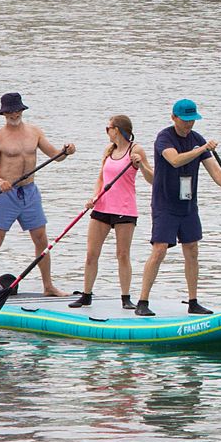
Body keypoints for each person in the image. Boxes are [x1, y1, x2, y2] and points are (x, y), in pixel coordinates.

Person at [135, 98, 221, 318]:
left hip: (188, 204)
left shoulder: (197, 139)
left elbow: (215, 171)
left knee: (192, 249)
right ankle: (142, 301)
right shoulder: (164, 137)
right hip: (165, 203)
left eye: (192, 120)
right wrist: (201, 149)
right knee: (159, 249)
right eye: (185, 120)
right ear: (173, 117)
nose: (189, 124)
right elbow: (174, 160)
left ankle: (193, 302)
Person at [0, 91, 75, 302]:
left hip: (30, 193)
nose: (14, 114)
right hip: (5, 195)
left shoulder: (34, 132)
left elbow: (56, 156)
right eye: (9, 111)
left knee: (41, 239)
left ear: (22, 110)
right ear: (3, 113)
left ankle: (48, 286)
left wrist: (66, 151)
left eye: (17, 110)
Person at [70, 115, 153, 311]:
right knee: (91, 254)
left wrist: (140, 165)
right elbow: (100, 178)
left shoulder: (136, 150)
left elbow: (152, 179)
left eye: (108, 128)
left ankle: (125, 298)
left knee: (122, 254)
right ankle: (86, 295)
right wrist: (94, 197)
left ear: (118, 130)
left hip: (125, 210)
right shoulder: (109, 151)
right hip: (102, 207)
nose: (106, 132)